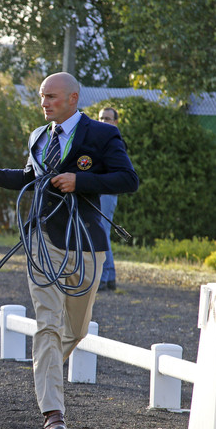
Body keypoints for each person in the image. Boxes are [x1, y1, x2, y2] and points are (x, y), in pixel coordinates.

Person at [0, 72, 138, 429]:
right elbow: (29, 176)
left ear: (73, 98)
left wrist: (81, 181)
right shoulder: (39, 137)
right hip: (42, 241)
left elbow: (127, 179)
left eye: (51, 97)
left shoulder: (102, 135)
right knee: (48, 324)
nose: (44, 103)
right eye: (42, 97)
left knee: (75, 329)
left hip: (86, 243)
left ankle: (46, 365)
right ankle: (53, 411)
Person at [97, 107, 119, 292]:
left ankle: (103, 279)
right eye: (101, 118)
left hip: (106, 193)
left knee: (101, 234)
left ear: (115, 122)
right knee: (104, 234)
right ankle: (110, 277)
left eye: (108, 118)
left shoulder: (113, 141)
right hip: (100, 192)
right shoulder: (100, 138)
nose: (104, 121)